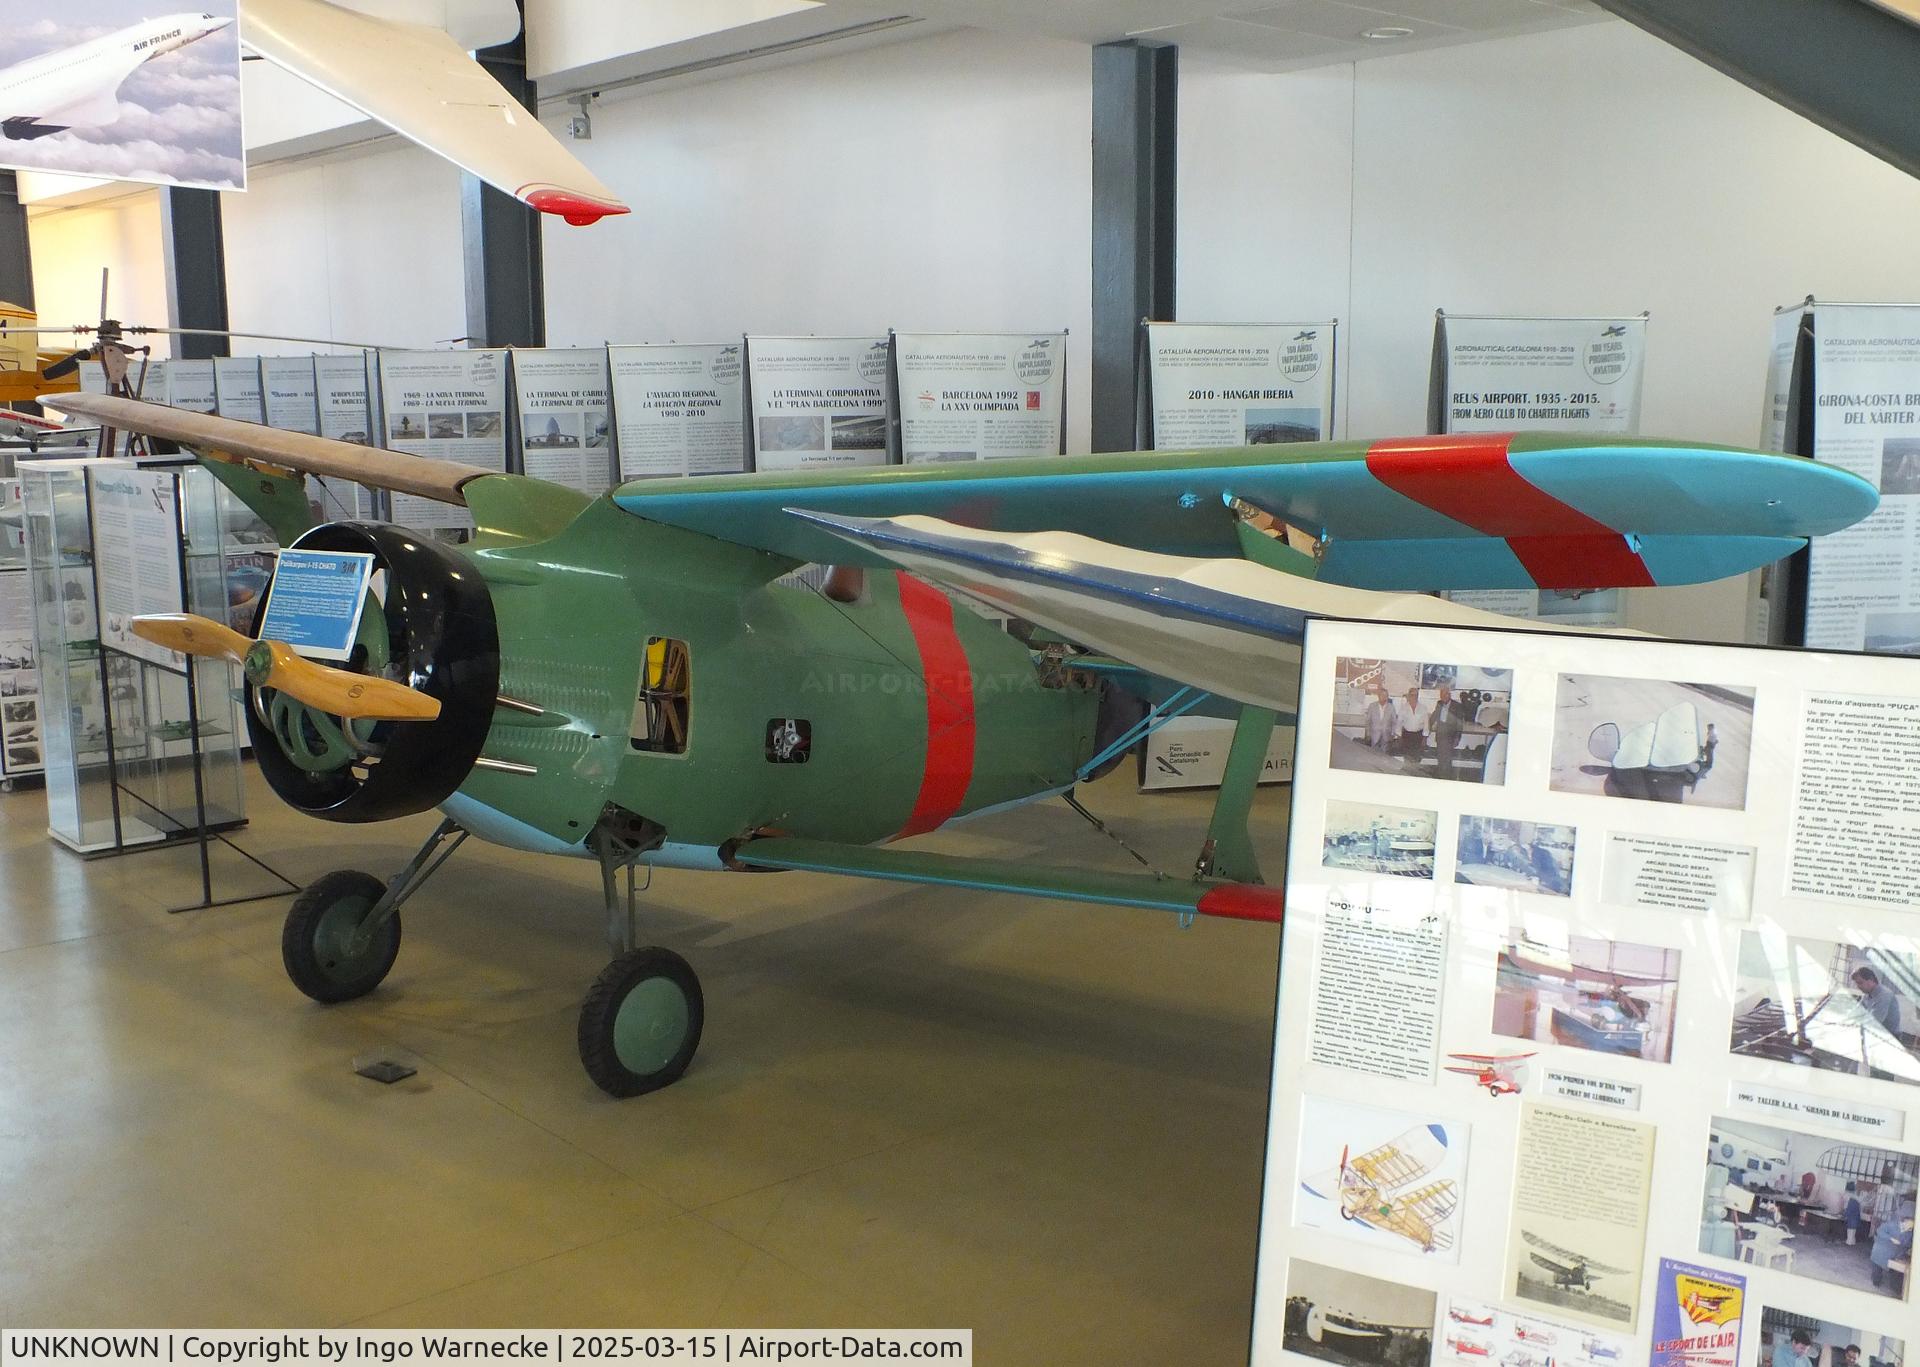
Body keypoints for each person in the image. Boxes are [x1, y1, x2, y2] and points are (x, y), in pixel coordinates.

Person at [1869, 1196, 1913, 1290]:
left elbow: (1908, 1244)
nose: (1911, 1226)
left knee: (1896, 1275)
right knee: (1876, 1275)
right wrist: (1891, 1239)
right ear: (1905, 1220)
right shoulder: (1892, 1224)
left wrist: (1906, 1247)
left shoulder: (1909, 1232)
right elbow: (1880, 1231)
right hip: (1880, 1251)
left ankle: (1896, 1288)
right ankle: (1876, 1281)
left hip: (1895, 1255)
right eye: (1911, 1223)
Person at [1851, 966, 1903, 1036]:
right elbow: (1857, 1010)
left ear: (1871, 980)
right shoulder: (1868, 993)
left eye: (1860, 983)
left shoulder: (1884, 995)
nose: (1858, 986)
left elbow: (1873, 1022)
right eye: (1856, 983)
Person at [1391, 687, 1430, 766]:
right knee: (1407, 759)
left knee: (1417, 758)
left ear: (1418, 696)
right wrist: (1399, 737)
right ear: (1409, 696)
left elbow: (1426, 724)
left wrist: (1425, 738)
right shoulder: (1403, 708)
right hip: (1407, 736)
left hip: (1418, 736)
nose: (1414, 697)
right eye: (1412, 695)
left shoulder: (1423, 708)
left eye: (1416, 695)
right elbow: (1399, 723)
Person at [1365, 685, 1398, 752]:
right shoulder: (1372, 706)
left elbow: (1394, 722)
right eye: (1382, 695)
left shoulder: (1391, 707)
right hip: (1374, 735)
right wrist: (1368, 734)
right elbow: (1368, 721)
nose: (1384, 697)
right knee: (1373, 754)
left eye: (1386, 695)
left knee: (1384, 756)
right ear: (1378, 696)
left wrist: (1392, 734)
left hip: (1386, 736)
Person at [1845, 1181, 1864, 1245]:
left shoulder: (1852, 1200)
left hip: (1851, 1218)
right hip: (1855, 1218)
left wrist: (1845, 1214)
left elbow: (1849, 1210)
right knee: (1853, 1232)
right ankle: (1852, 1242)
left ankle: (1849, 1243)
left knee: (1850, 1231)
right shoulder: (1856, 1200)